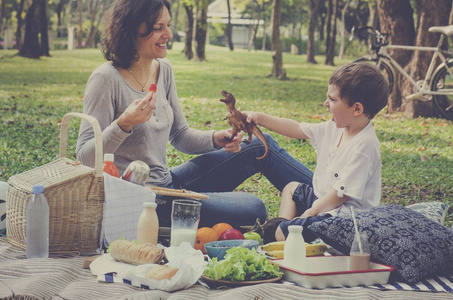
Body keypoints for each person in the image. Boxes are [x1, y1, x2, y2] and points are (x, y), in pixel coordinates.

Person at [76, 0, 315, 229]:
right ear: (130, 29)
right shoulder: (106, 80)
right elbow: (84, 158)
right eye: (158, 28)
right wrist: (124, 123)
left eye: (168, 25)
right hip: (143, 201)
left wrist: (215, 138)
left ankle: (329, 199)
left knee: (261, 147)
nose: (168, 34)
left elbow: (179, 135)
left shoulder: (163, 70)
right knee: (254, 208)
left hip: (169, 182)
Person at [245, 62, 389, 242]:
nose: (326, 104)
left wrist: (309, 213)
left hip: (343, 221)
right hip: (324, 205)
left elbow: (340, 195)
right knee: (291, 189)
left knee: (280, 232)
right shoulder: (335, 128)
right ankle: (287, 236)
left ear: (357, 109)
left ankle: (283, 236)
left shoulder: (365, 145)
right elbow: (297, 129)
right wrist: (259, 117)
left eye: (333, 99)